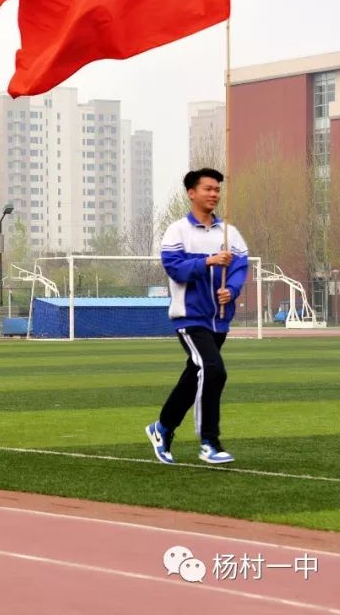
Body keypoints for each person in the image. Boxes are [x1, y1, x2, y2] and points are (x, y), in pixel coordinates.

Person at [146, 168, 248, 465]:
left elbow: (240, 267)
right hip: (190, 318)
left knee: (195, 377)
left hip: (219, 319)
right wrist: (209, 261)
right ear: (192, 193)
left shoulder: (229, 232)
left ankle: (162, 428)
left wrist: (231, 289)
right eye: (208, 189)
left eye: (217, 189)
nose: (214, 194)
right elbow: (175, 269)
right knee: (214, 370)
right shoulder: (178, 231)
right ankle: (209, 442)